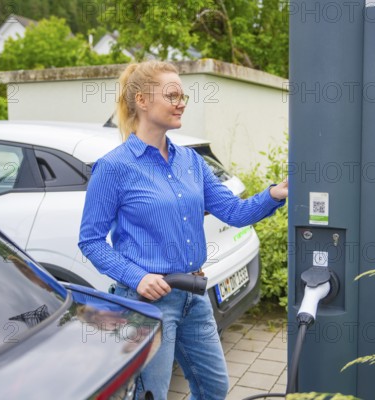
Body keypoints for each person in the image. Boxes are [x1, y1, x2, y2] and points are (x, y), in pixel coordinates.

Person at [79, 60, 288, 400]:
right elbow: (90, 240)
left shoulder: (191, 162)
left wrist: (275, 194)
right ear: (143, 100)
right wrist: (137, 277)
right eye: (172, 95)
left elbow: (234, 211)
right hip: (147, 303)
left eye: (183, 95)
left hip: (194, 295)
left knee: (213, 387)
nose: (181, 102)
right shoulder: (114, 168)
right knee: (151, 395)